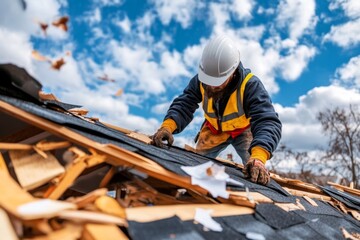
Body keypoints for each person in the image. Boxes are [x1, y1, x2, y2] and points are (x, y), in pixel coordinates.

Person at [152, 35, 282, 185]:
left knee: (255, 172)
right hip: (213, 131)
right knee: (197, 170)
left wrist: (259, 157)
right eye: (209, 81)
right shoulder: (200, 80)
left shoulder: (251, 85)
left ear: (233, 72)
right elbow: (184, 104)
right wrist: (167, 127)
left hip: (243, 132)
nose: (212, 86)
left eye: (218, 81)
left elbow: (267, 121)